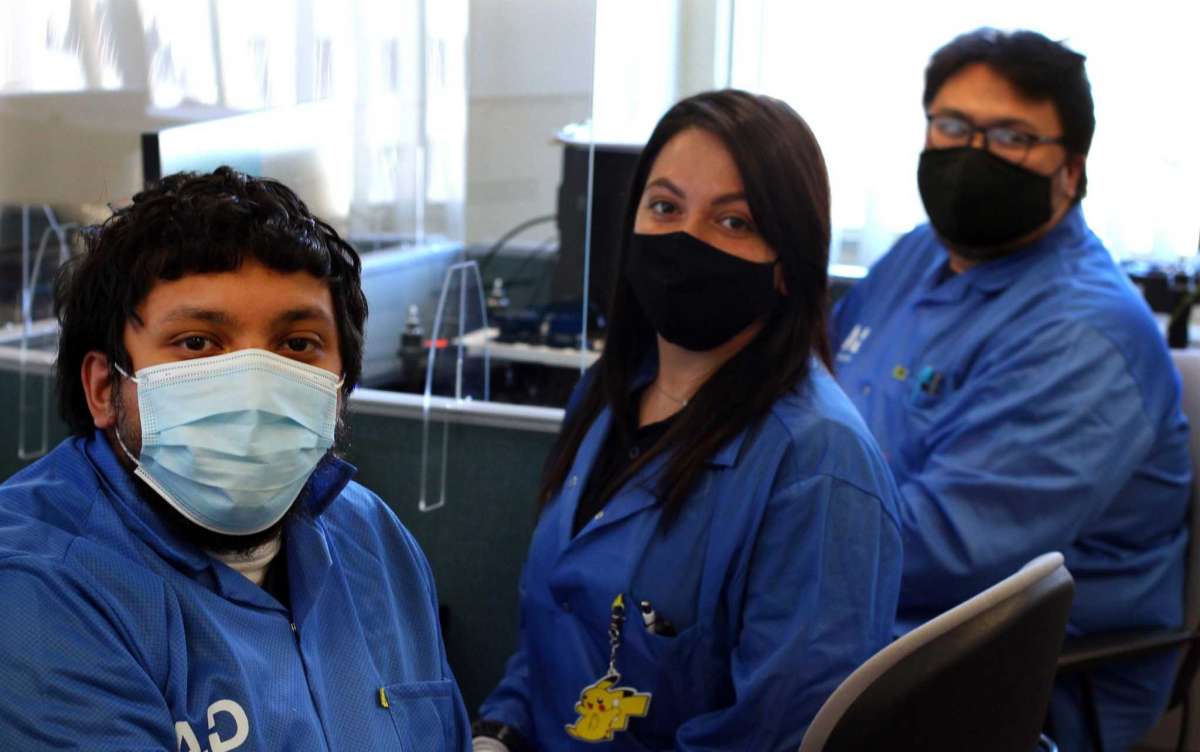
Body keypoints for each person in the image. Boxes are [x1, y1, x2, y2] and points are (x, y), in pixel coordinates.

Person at [473, 89, 904, 751]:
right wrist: (497, 733)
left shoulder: (819, 461)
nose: (686, 241)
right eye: (666, 208)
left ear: (787, 266)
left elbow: (782, 733)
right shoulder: (606, 395)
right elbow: (553, 629)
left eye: (733, 222)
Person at [0, 167, 470, 751]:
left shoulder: (372, 538)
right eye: (197, 343)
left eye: (297, 345)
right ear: (104, 388)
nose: (256, 389)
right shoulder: (38, 588)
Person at [831, 28, 1191, 752]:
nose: (973, 154)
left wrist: (757, 550)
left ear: (1072, 169)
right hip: (868, 601)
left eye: (1013, 136)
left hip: (1023, 674)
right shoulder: (920, 253)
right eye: (953, 126)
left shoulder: (1085, 333)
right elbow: (809, 409)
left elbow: (952, 554)